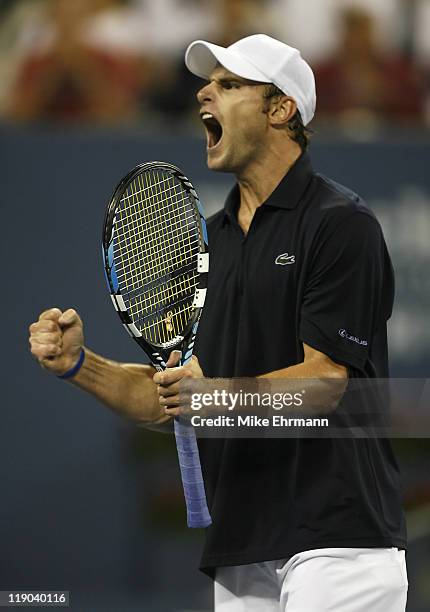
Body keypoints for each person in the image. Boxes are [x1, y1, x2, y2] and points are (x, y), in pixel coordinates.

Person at [29, 34, 408, 611]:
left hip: (338, 542)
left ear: (281, 109)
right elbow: (173, 399)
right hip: (240, 548)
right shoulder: (210, 243)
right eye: (208, 83)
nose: (204, 92)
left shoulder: (340, 224)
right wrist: (79, 366)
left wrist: (211, 398)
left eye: (230, 84)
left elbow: (324, 384)